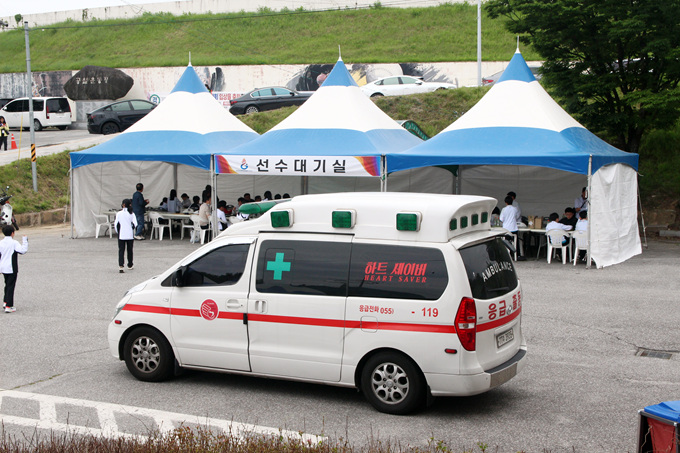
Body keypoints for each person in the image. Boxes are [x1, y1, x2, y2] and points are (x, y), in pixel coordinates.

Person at [0, 225, 28, 313]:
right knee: (10, 286)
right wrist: (25, 240)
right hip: (11, 268)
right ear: (12, 233)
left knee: (7, 284)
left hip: (3, 267)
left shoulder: (1, 242)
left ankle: (5, 301)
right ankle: (9, 306)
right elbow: (23, 250)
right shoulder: (14, 243)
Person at [114, 199, 137, 273]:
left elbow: (116, 224)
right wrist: (131, 229)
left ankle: (121, 266)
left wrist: (118, 232)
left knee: (121, 250)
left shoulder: (119, 213)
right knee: (130, 250)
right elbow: (135, 223)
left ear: (123, 205)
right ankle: (130, 264)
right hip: (129, 234)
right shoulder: (131, 213)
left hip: (121, 234)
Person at [500, 195, 525, 260]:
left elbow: (501, 219)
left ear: (505, 202)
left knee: (505, 242)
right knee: (516, 242)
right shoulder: (515, 209)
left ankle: (506, 255)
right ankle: (517, 255)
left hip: (506, 229)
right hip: (514, 228)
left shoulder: (504, 209)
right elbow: (516, 217)